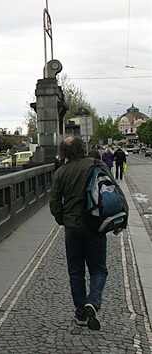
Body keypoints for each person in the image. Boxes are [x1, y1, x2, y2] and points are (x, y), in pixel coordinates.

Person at [50, 136, 127, 331]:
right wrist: (121, 220)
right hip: (95, 225)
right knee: (99, 269)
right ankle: (93, 301)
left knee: (76, 272)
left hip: (72, 227)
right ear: (82, 147)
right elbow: (114, 191)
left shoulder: (61, 172)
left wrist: (62, 219)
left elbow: (54, 203)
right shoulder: (97, 164)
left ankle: (81, 314)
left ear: (64, 152)